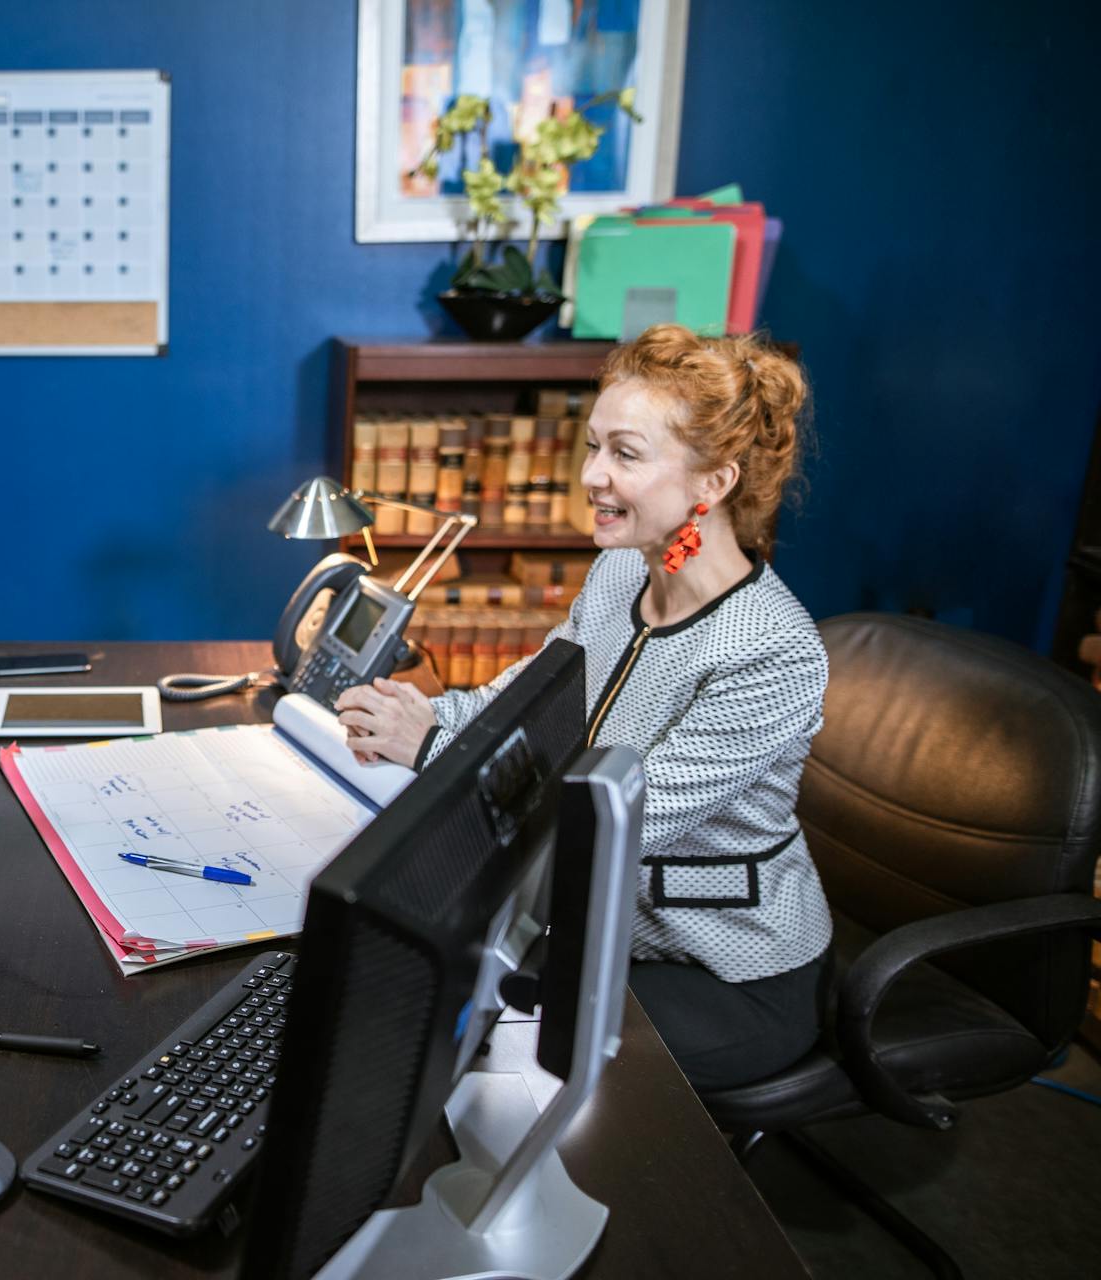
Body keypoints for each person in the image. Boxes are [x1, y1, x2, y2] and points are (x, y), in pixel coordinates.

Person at [335, 324, 832, 1092]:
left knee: (488, 1067)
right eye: (593, 446)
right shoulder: (617, 579)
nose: (592, 475)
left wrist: (432, 751)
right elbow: (519, 707)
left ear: (714, 484)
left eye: (625, 454)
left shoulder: (772, 652)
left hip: (722, 970)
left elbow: (612, 829)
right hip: (595, 932)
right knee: (401, 1002)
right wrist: (422, 714)